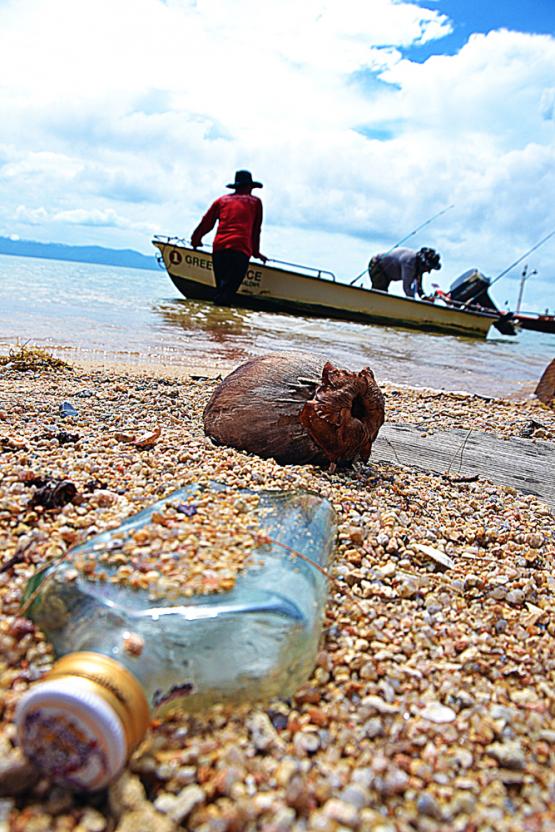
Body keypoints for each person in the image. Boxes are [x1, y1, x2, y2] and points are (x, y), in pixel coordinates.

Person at [191, 170, 267, 305]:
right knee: (227, 293)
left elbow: (206, 222)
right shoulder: (255, 202)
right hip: (240, 250)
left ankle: (215, 320)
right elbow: (256, 230)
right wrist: (255, 253)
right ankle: (220, 322)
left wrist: (196, 240)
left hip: (220, 249)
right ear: (250, 187)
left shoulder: (221, 201)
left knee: (221, 288)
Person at [368, 246, 441, 298]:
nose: (428, 271)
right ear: (422, 264)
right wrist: (414, 306)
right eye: (428, 268)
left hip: (388, 271)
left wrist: (423, 296)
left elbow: (419, 286)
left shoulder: (419, 267)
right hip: (378, 265)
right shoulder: (409, 262)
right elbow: (407, 288)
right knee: (380, 292)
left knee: (382, 293)